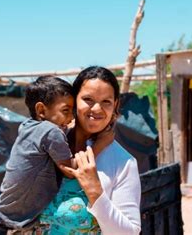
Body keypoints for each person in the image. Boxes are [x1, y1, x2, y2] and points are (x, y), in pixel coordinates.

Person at [0, 76, 112, 234]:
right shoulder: (51, 131)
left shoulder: (28, 126)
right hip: (15, 227)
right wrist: (100, 144)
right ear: (41, 110)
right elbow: (70, 171)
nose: (71, 118)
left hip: (2, 219)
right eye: (65, 111)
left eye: (72, 111)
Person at [40, 66, 141, 235]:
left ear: (115, 105)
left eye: (106, 102)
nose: (96, 109)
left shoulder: (123, 162)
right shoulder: (46, 145)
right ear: (73, 101)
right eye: (88, 99)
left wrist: (94, 190)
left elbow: (129, 232)